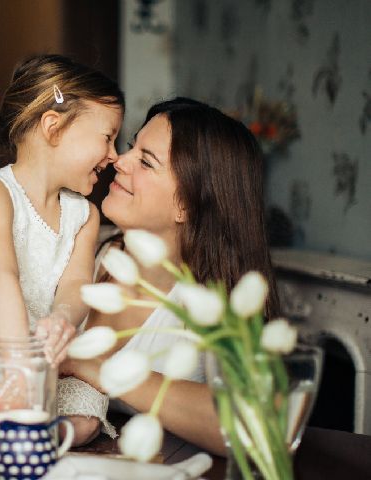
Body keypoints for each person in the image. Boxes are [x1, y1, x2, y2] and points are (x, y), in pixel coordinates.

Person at [61, 97, 280, 455]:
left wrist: (105, 370)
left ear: (187, 205)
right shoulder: (83, 248)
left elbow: (253, 426)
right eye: (132, 146)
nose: (119, 159)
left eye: (146, 161)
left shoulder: (216, 303)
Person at [0, 54, 124, 446]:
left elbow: (75, 287)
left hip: (44, 366)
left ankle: (35, 436)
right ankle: (18, 432)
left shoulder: (84, 215)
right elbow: (1, 279)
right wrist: (18, 370)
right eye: (108, 137)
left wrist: (63, 320)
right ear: (53, 127)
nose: (115, 155)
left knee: (88, 408)